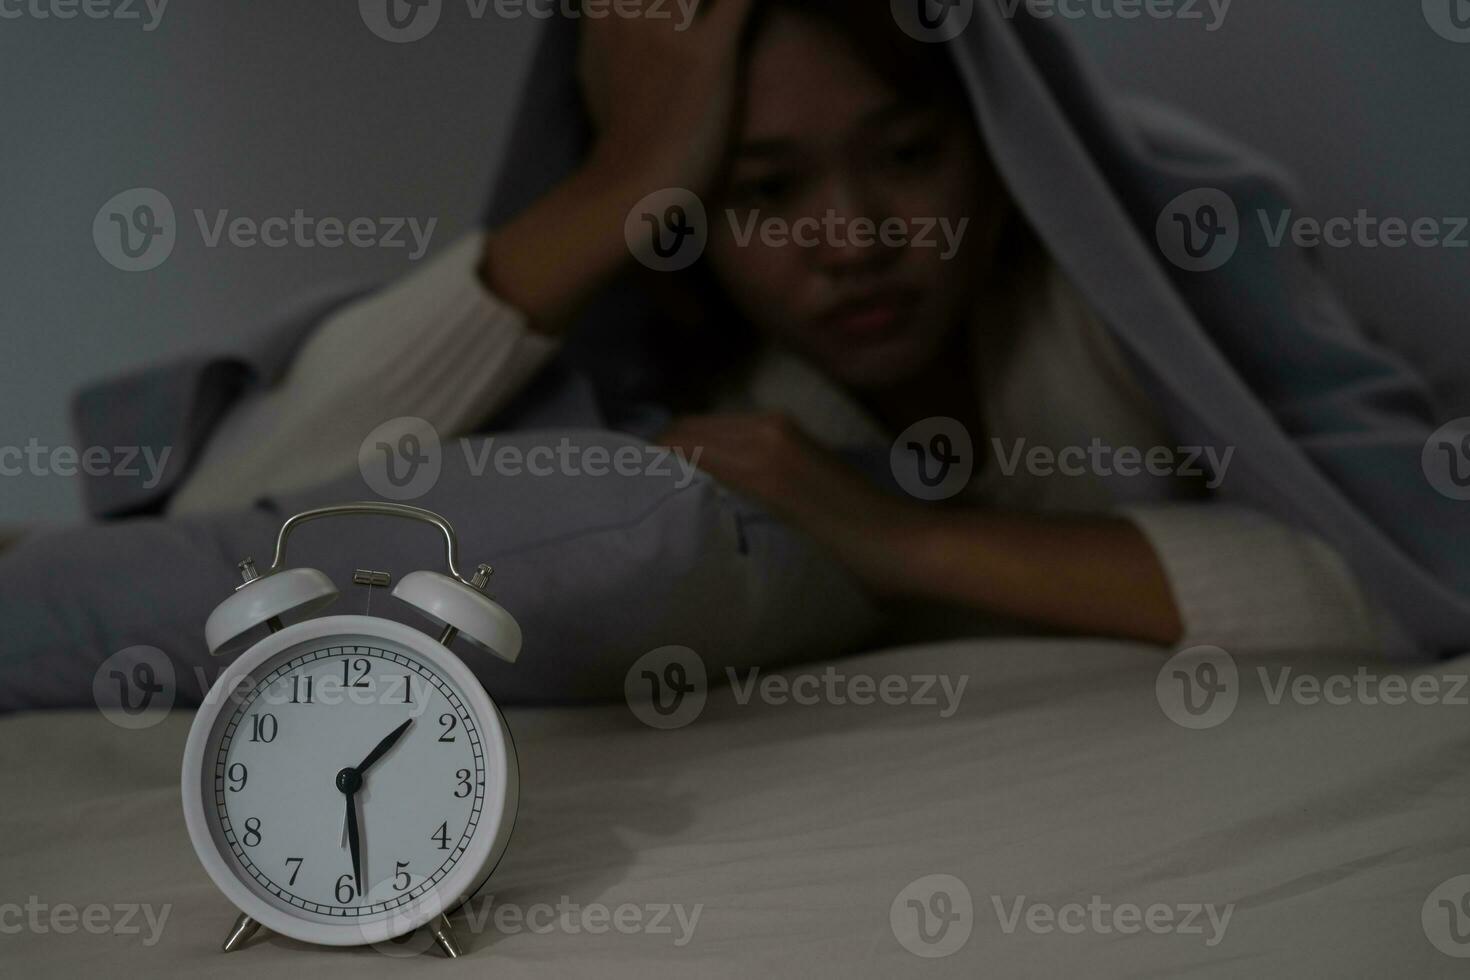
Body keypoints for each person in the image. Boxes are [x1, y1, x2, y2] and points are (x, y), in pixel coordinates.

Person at [160, 0, 1405, 656]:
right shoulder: (674, 344)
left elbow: (1394, 571)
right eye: (763, 189)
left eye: (909, 154)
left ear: (997, 137)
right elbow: (229, 507)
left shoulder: (1153, 235)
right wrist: (620, 183)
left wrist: (902, 539)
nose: (853, 237)